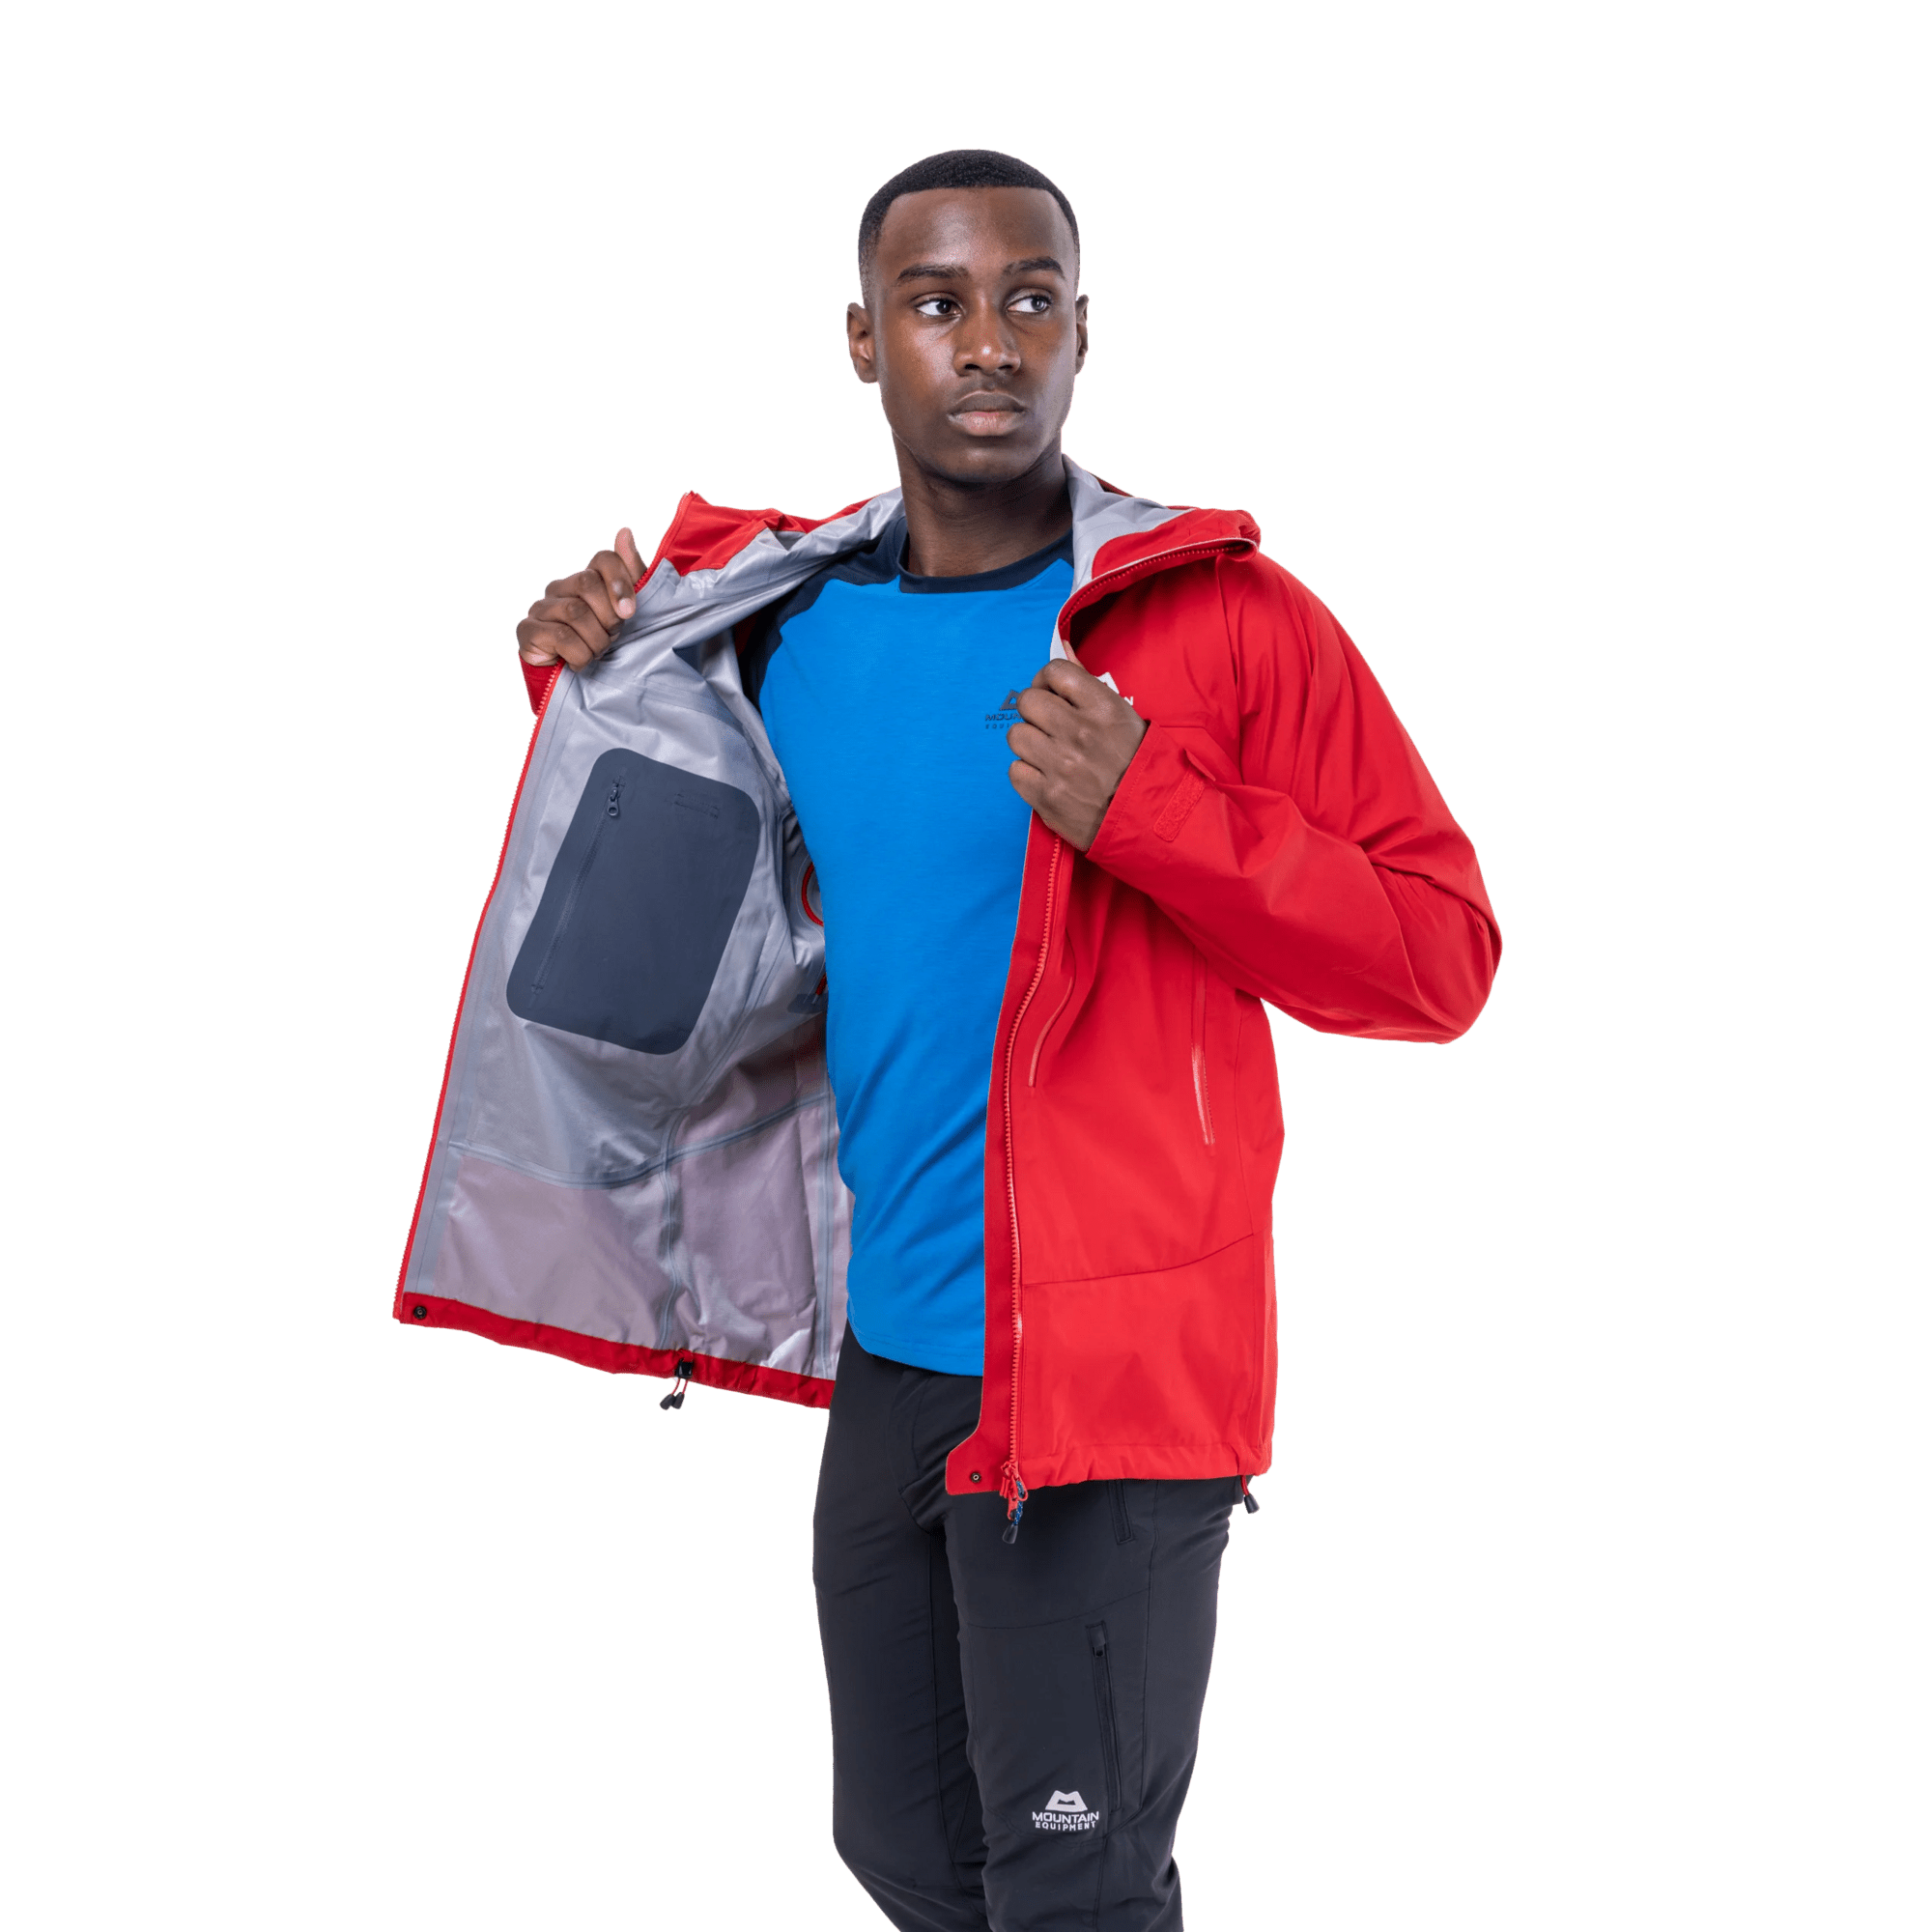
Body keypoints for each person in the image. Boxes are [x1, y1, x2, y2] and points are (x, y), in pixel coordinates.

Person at [398, 149, 1501, 1929]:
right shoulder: (787, 631)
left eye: (1029, 300)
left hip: (1114, 1381)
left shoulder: (1229, 623)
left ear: (1082, 336)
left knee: (1073, 1889)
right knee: (908, 1852)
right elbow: (688, 910)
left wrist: (1154, 812)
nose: (988, 341)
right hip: (898, 1348)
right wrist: (591, 684)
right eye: (938, 302)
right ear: (865, 342)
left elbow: (1440, 960)